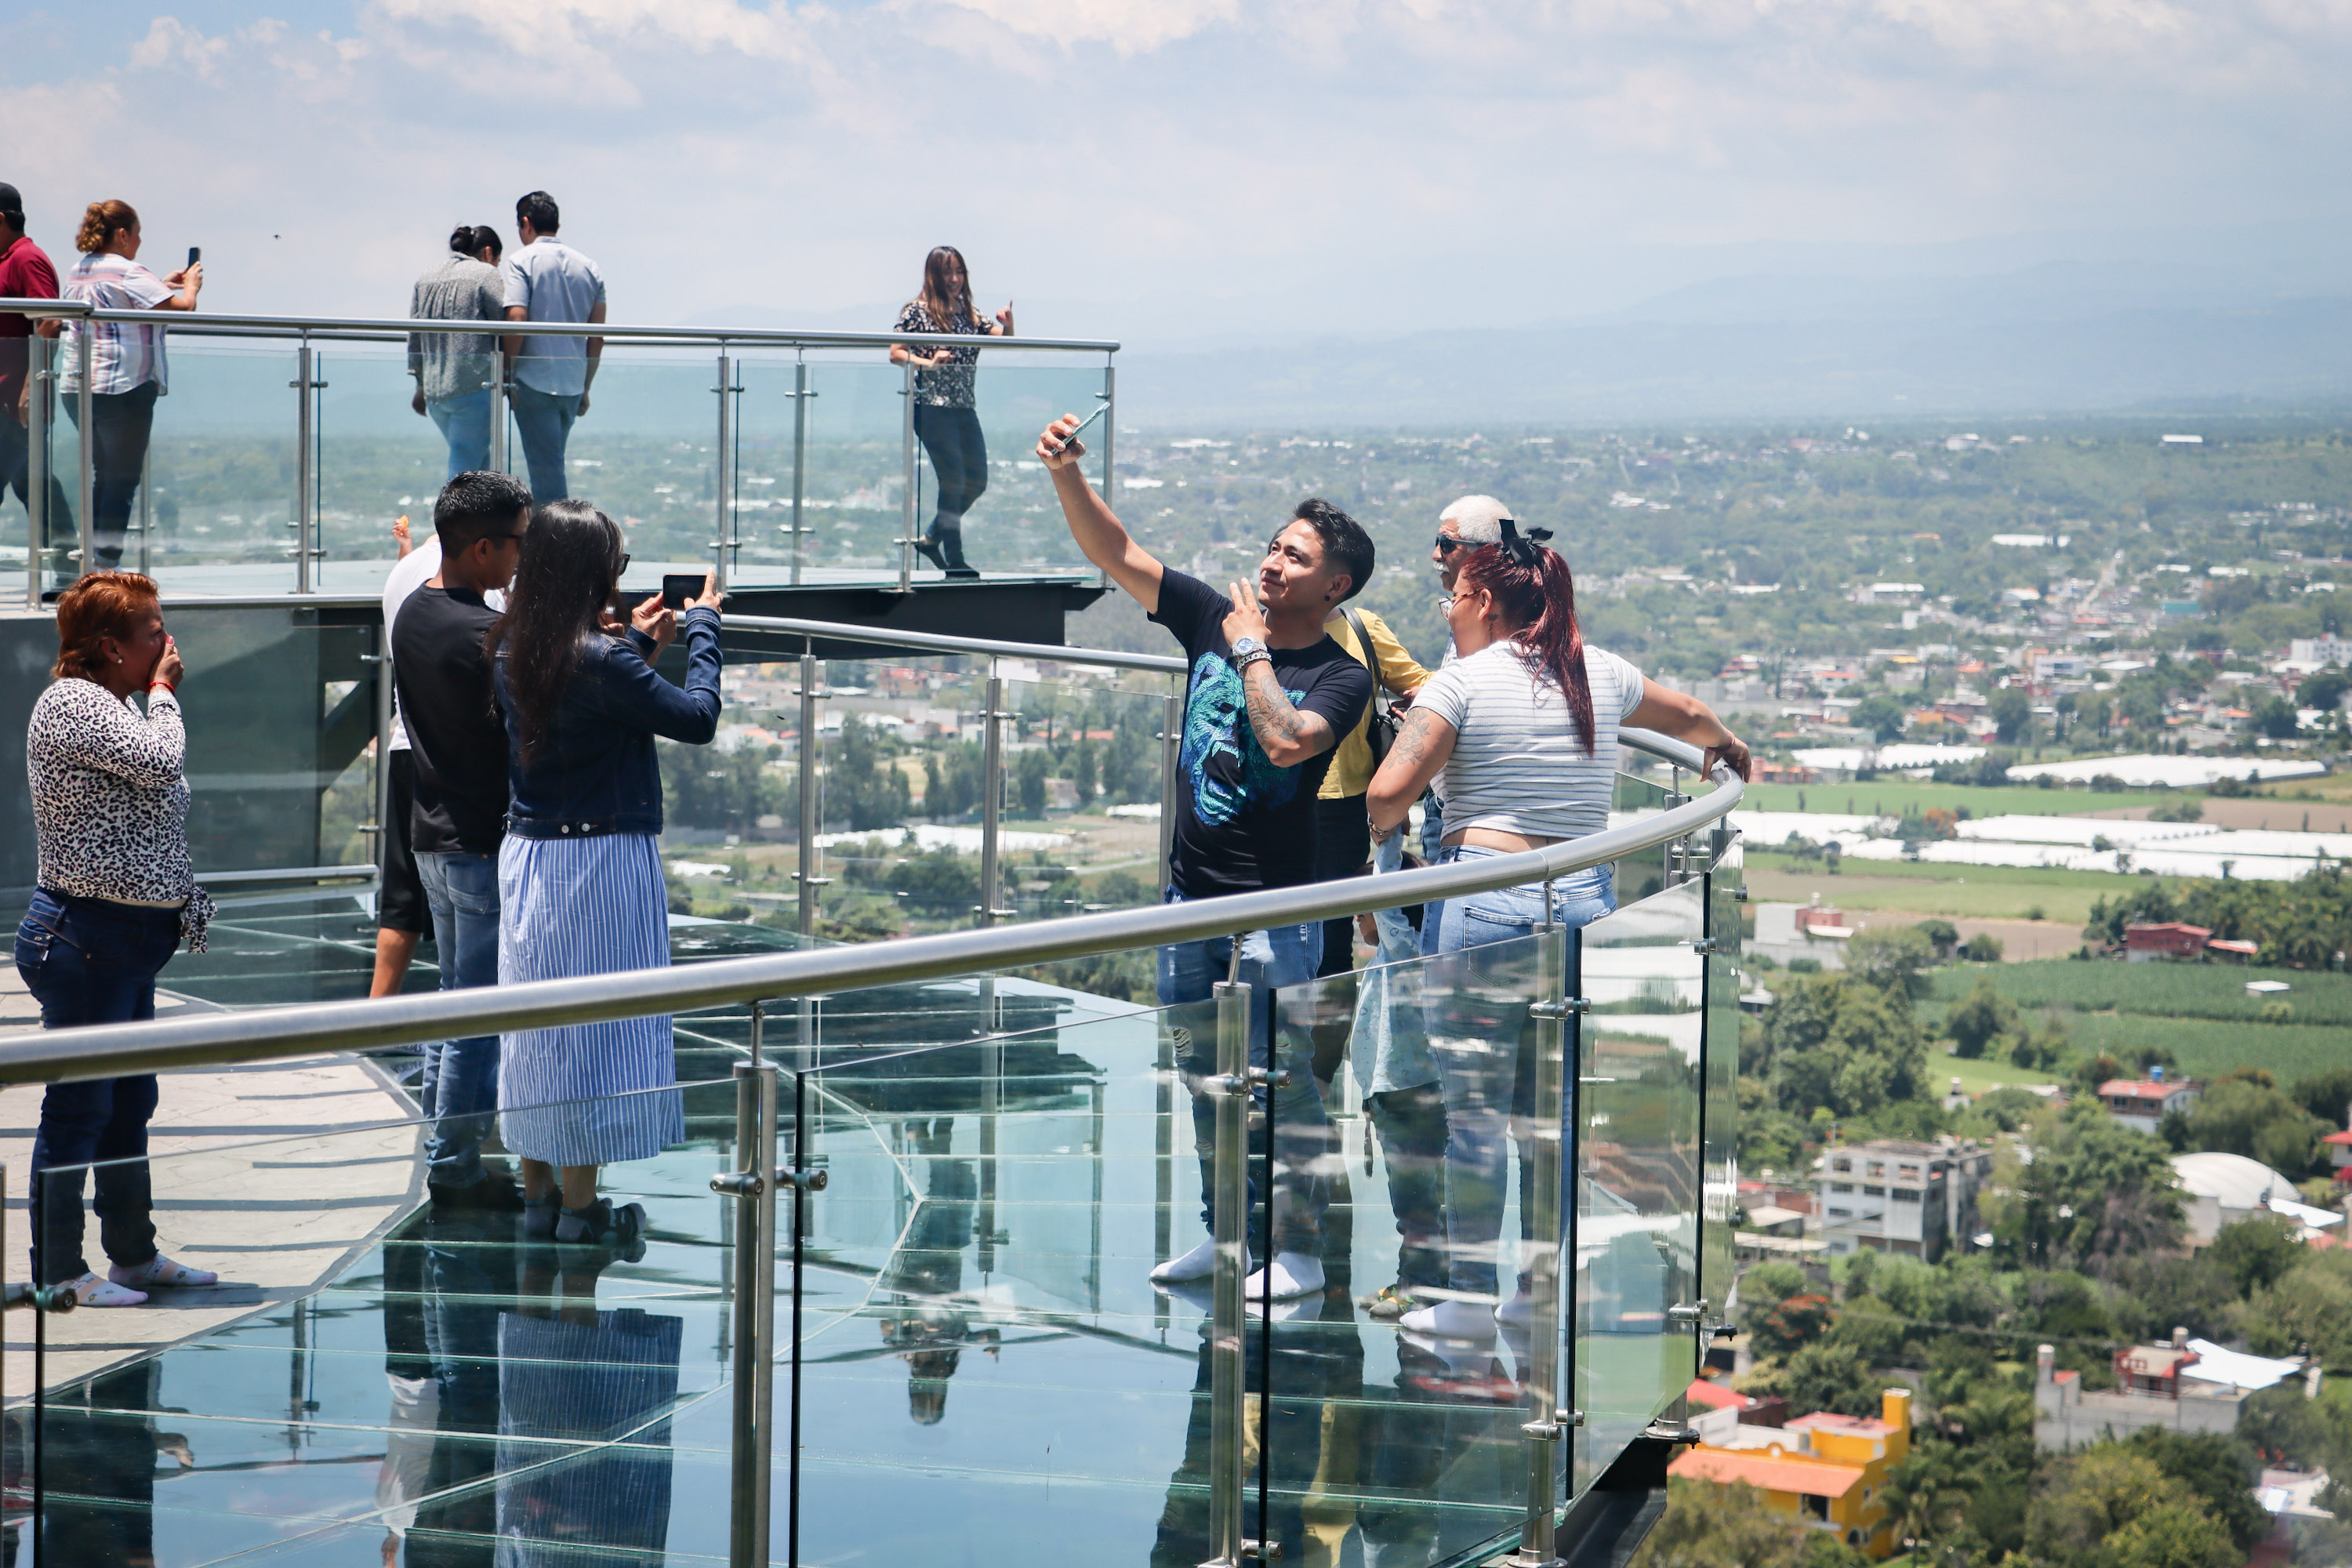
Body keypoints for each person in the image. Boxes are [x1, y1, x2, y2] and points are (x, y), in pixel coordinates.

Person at [1366, 520, 1750, 1340]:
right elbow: (1689, 714)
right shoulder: (1596, 671)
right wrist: (1726, 746)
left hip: (1483, 902)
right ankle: (1541, 1292)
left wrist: (1420, 739)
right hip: (1581, 903)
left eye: (1451, 596)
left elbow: (1386, 799)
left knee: (1472, 1117)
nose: (1445, 610)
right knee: (1549, 1121)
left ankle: (1466, 1297)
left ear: (1478, 597)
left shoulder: (1457, 683)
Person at [1040, 413, 1374, 1301]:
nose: (1272, 564)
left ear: (1335, 584)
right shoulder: (1209, 616)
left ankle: (1297, 1247)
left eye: (1295, 558)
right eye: (1273, 547)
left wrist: (1251, 648)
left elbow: (1291, 739)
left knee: (1283, 1084)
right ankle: (1224, 1237)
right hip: (1189, 902)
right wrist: (1067, 474)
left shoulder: (1342, 674)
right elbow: (1118, 553)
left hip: (1274, 911)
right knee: (1200, 1074)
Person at [488, 502, 722, 1251]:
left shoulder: (514, 645)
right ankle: (583, 1212)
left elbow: (584, 715)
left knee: (533, 1028)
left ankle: (538, 1197)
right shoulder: (599, 658)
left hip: (531, 856)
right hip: (600, 864)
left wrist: (636, 648)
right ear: (592, 574)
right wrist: (705, 630)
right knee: (593, 1029)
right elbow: (697, 718)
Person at [18, 571, 218, 1306]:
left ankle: (132, 1255)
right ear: (109, 646)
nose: (168, 644)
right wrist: (165, 694)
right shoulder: (73, 703)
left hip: (126, 942)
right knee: (80, 1109)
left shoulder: (118, 708)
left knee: (129, 1099)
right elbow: (163, 762)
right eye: (154, 631)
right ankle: (58, 1271)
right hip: (85, 939)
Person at [394, 471, 535, 1208]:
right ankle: (453, 1164)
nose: (522, 556)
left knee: (454, 1001)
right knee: (478, 1012)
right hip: (480, 842)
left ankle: (441, 1144)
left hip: (432, 833)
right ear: (481, 547)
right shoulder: (482, 634)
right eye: (517, 541)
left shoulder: (416, 613)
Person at [59, 201, 200, 568]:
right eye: (137, 235)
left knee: (103, 476)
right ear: (122, 235)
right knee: (121, 479)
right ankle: (105, 566)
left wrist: (161, 287)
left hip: (78, 384)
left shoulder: (79, 270)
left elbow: (133, 302)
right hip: (123, 387)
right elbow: (184, 308)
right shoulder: (128, 271)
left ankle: (94, 559)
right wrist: (191, 286)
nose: (138, 243)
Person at [1311, 603, 1428, 992]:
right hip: (1268, 806)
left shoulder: (1361, 628)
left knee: (1330, 939)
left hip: (1343, 805)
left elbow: (1422, 685)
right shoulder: (1254, 631)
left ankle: (1320, 1044)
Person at [891, 247, 1011, 579]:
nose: (955, 279)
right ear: (934, 275)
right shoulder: (917, 311)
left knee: (977, 482)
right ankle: (955, 560)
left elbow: (1004, 340)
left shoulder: (968, 311)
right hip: (930, 406)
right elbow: (896, 352)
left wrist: (1009, 325)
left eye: (959, 271)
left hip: (964, 406)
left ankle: (931, 537)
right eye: (948, 272)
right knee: (954, 480)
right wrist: (928, 363)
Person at [500, 193, 604, 503]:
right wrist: (586, 385)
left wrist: (507, 372)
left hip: (534, 380)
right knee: (552, 464)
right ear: (557, 224)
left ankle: (558, 546)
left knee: (546, 474)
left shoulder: (521, 261)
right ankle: (556, 540)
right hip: (572, 381)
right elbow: (597, 336)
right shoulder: (589, 267)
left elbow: (517, 317)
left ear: (526, 224)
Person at [371, 514, 435, 1001]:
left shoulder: (403, 574)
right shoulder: (491, 584)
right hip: (456, 753)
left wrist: (407, 552)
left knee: (403, 896)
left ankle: (378, 1014)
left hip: (404, 744)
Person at [0, 183, 73, 561]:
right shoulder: (6, 260)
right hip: (9, 400)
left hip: (15, 401)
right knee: (36, 485)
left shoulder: (27, 259)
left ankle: (68, 571)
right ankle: (68, 571)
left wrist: (31, 385)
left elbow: (51, 319)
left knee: (36, 485)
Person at [409, 224, 506, 484]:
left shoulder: (426, 277)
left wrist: (420, 384)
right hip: (474, 386)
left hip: (436, 392)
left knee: (480, 469)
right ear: (489, 253)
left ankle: (485, 524)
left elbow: (415, 336)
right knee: (463, 476)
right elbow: (506, 327)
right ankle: (449, 524)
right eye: (498, 260)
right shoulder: (485, 275)